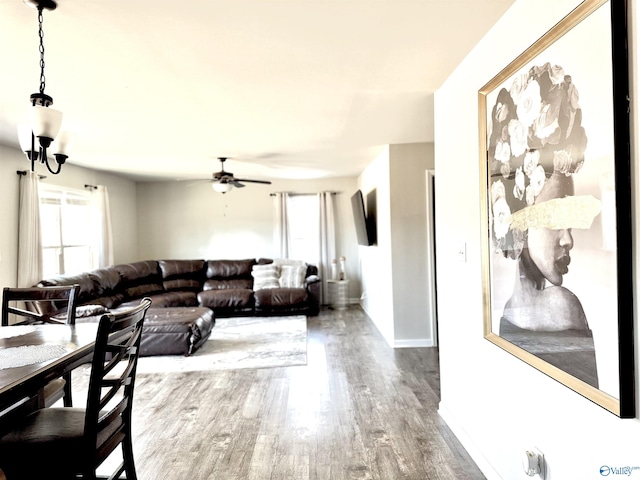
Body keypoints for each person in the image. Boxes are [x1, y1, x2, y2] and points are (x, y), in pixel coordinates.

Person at [487, 63, 601, 388]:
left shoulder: (508, 311)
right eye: (554, 219)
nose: (569, 240)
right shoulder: (561, 306)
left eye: (570, 221)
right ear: (518, 223)